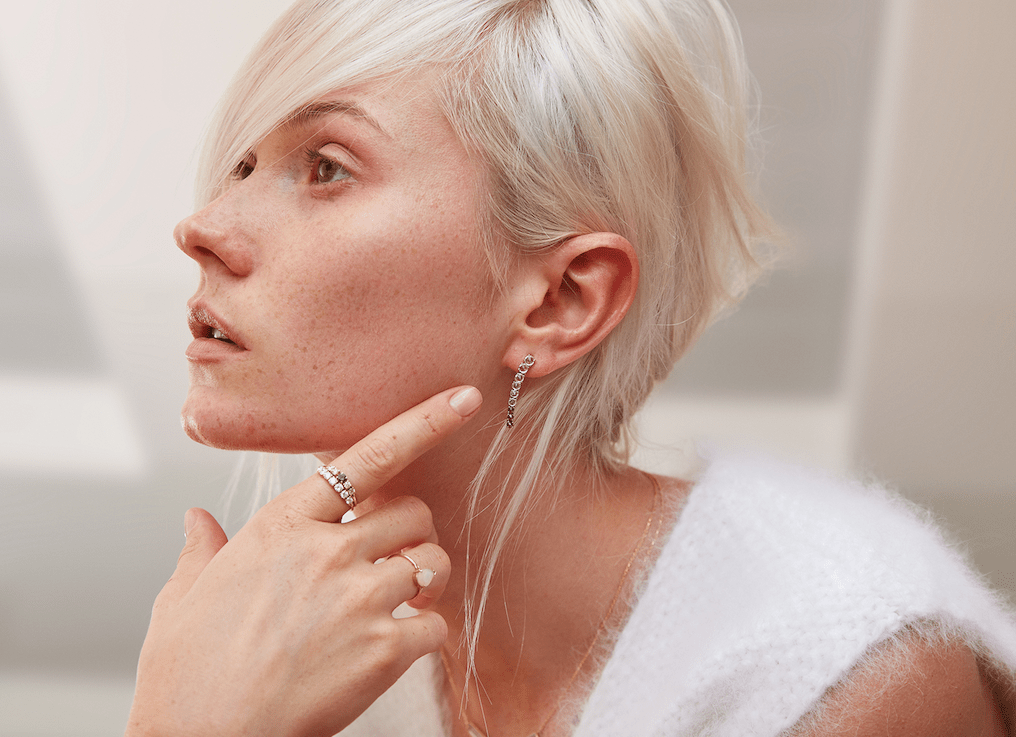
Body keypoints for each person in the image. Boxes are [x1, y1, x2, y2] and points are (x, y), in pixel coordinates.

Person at [126, 0, 1016, 735]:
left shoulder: (852, 677)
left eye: (327, 166)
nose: (204, 224)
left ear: (561, 301)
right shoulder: (297, 630)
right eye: (243, 163)